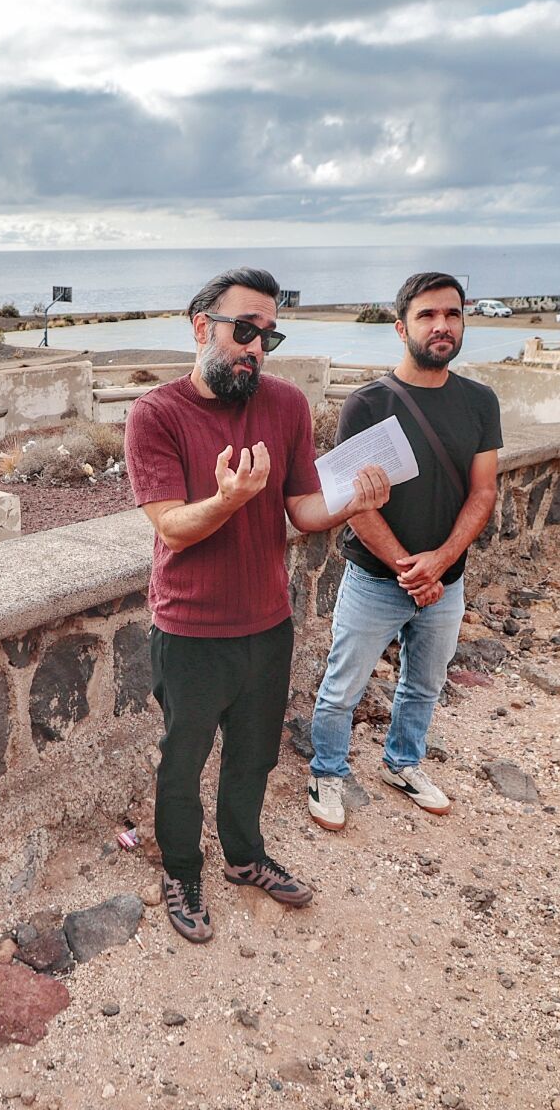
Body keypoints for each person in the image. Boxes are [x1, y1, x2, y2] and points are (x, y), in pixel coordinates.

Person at [124, 267, 390, 944]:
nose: (255, 348)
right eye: (244, 331)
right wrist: (228, 500)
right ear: (200, 327)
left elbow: (302, 508)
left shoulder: (286, 406)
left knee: (254, 757)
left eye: (267, 335)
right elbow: (172, 526)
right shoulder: (155, 414)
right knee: (182, 762)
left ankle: (244, 855)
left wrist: (351, 502)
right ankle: (182, 870)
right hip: (189, 629)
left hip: (267, 624)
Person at [306, 271, 501, 831]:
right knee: (344, 686)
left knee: (425, 682)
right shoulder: (368, 404)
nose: (442, 326)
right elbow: (355, 504)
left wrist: (440, 561)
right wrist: (407, 568)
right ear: (401, 327)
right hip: (375, 578)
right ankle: (327, 771)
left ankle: (403, 762)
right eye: (427, 315)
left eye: (453, 314)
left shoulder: (480, 402)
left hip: (448, 579)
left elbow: (483, 489)